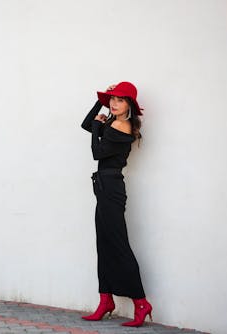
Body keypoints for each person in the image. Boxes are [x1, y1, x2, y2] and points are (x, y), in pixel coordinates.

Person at [80, 81, 153, 327]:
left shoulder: (123, 125)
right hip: (103, 186)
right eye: (111, 99)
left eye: (119, 99)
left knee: (118, 245)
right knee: (104, 243)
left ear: (129, 105)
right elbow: (85, 124)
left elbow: (97, 153)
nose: (113, 103)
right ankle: (105, 300)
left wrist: (98, 126)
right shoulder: (112, 121)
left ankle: (141, 303)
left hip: (111, 188)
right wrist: (99, 104)